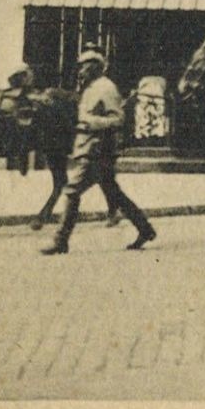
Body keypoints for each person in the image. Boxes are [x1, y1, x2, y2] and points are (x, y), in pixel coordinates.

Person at [41, 47, 156, 255]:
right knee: (114, 193)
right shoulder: (91, 88)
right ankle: (145, 229)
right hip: (89, 148)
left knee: (72, 191)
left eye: (85, 66)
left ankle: (60, 240)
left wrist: (91, 122)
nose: (81, 70)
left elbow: (118, 118)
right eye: (80, 66)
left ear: (96, 67)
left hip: (97, 150)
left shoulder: (106, 88)